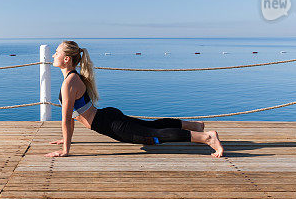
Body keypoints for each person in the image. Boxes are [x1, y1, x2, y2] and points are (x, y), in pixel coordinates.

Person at [45, 40, 224, 158]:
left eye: (56, 52)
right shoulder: (72, 78)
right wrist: (66, 139)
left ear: (66, 59)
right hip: (107, 117)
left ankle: (206, 138)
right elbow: (73, 116)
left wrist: (65, 150)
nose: (53, 55)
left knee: (154, 135)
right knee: (151, 126)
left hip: (109, 124)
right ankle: (195, 126)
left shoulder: (69, 82)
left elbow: (67, 119)